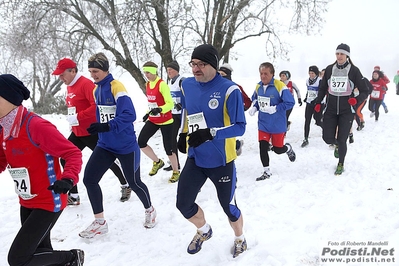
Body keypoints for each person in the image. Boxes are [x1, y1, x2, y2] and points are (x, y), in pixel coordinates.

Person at [0, 74, 84, 265]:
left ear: (10, 99)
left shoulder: (35, 126)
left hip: (49, 200)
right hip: (27, 199)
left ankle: (72, 258)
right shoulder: (3, 128)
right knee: (40, 253)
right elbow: (2, 159)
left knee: (18, 259)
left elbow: (72, 153)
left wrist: (68, 179)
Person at [175, 44, 247, 258]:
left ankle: (240, 239)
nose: (196, 69)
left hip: (221, 161)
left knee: (229, 208)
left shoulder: (230, 90)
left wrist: (211, 133)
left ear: (213, 65)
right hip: (196, 157)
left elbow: (240, 126)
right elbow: (187, 111)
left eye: (201, 64)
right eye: (193, 64)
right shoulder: (187, 84)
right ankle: (204, 230)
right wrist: (181, 133)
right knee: (183, 204)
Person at [79, 53, 156, 238]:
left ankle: (150, 210)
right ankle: (100, 222)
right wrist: (98, 127)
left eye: (96, 71)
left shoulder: (117, 87)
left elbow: (130, 114)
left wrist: (107, 125)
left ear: (105, 69)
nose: (93, 75)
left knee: (134, 182)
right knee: (89, 179)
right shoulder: (96, 90)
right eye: (90, 71)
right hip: (105, 144)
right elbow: (102, 114)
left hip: (125, 146)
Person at [52, 58, 131, 205]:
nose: (61, 78)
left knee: (108, 160)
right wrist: (73, 120)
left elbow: (96, 106)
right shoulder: (69, 85)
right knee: (65, 158)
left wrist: (78, 116)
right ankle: (74, 195)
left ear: (73, 71)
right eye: (59, 75)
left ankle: (126, 184)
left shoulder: (86, 84)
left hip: (91, 131)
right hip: (77, 131)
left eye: (62, 74)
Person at [313, 43, 368, 175]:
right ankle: (336, 144)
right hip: (331, 109)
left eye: (342, 54)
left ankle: (341, 163)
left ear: (347, 55)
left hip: (346, 110)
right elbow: (322, 88)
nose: (339, 56)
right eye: (337, 53)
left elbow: (365, 91)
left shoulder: (354, 70)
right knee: (327, 138)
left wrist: (356, 100)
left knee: (343, 139)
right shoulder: (330, 69)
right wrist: (318, 102)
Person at [248, 62, 296, 181]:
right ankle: (266, 171)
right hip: (263, 123)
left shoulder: (279, 86)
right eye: (261, 73)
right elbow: (255, 98)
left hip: (277, 124)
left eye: (266, 74)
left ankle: (288, 149)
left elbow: (290, 102)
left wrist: (276, 108)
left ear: (272, 74)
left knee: (278, 149)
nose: (263, 76)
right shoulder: (258, 86)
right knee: (262, 147)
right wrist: (255, 107)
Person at [138, 61, 180, 183]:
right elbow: (151, 103)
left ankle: (176, 171)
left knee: (169, 148)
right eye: (145, 72)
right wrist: (147, 113)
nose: (146, 74)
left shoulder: (162, 85)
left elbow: (170, 103)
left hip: (166, 121)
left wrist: (160, 109)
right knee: (141, 142)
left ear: (154, 72)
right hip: (153, 119)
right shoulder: (147, 84)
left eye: (148, 72)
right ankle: (157, 162)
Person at [218, 63, 251, 156]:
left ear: (228, 75)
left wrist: (240, 109)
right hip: (218, 115)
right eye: (218, 74)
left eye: (223, 75)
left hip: (231, 118)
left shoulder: (235, 87)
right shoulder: (215, 86)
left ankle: (234, 150)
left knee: (227, 138)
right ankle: (237, 145)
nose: (220, 77)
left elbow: (248, 101)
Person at [163, 60, 185, 171]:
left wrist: (182, 105)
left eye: (170, 70)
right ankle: (175, 164)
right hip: (173, 114)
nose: (169, 72)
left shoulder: (182, 81)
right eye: (167, 70)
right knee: (171, 139)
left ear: (176, 70)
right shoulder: (169, 82)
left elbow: (189, 95)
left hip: (182, 115)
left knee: (187, 138)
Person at [301, 65, 323, 147]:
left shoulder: (320, 81)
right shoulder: (307, 81)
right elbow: (309, 91)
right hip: (309, 103)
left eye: (313, 73)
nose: (311, 75)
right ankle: (305, 138)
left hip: (318, 104)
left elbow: (321, 93)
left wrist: (316, 101)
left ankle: (327, 130)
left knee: (318, 121)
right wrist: (306, 97)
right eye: (310, 73)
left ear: (316, 73)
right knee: (307, 120)